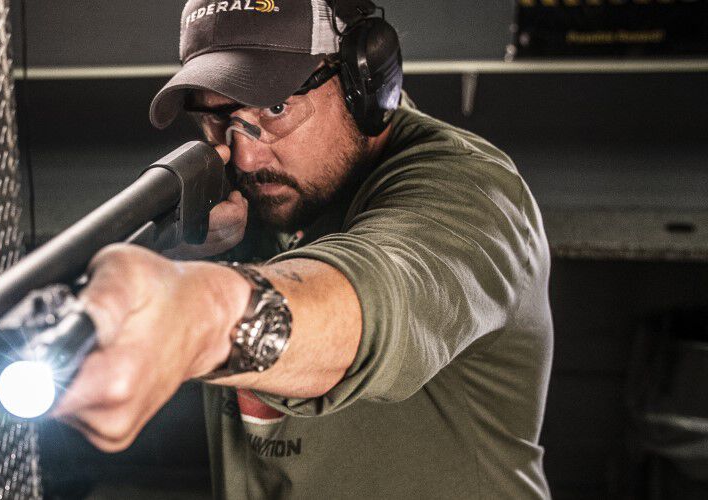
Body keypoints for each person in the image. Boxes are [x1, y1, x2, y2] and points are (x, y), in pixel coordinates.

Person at [50, 0, 553, 498]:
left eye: (276, 108)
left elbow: (380, 295)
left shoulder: (471, 193)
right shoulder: (242, 196)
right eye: (216, 113)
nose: (245, 155)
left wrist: (200, 311)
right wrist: (177, 253)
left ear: (366, 83)